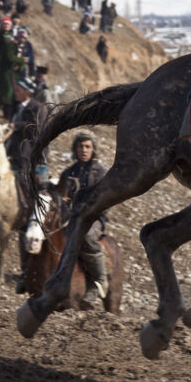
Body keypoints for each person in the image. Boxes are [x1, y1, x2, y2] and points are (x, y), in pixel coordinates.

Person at [51, 132, 111, 308]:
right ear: (75, 149)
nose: (83, 150)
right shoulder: (69, 172)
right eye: (80, 146)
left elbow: (107, 199)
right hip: (71, 219)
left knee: (86, 235)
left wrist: (87, 214)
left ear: (93, 149)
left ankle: (99, 279)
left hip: (94, 219)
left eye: (87, 147)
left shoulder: (100, 172)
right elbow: (61, 198)